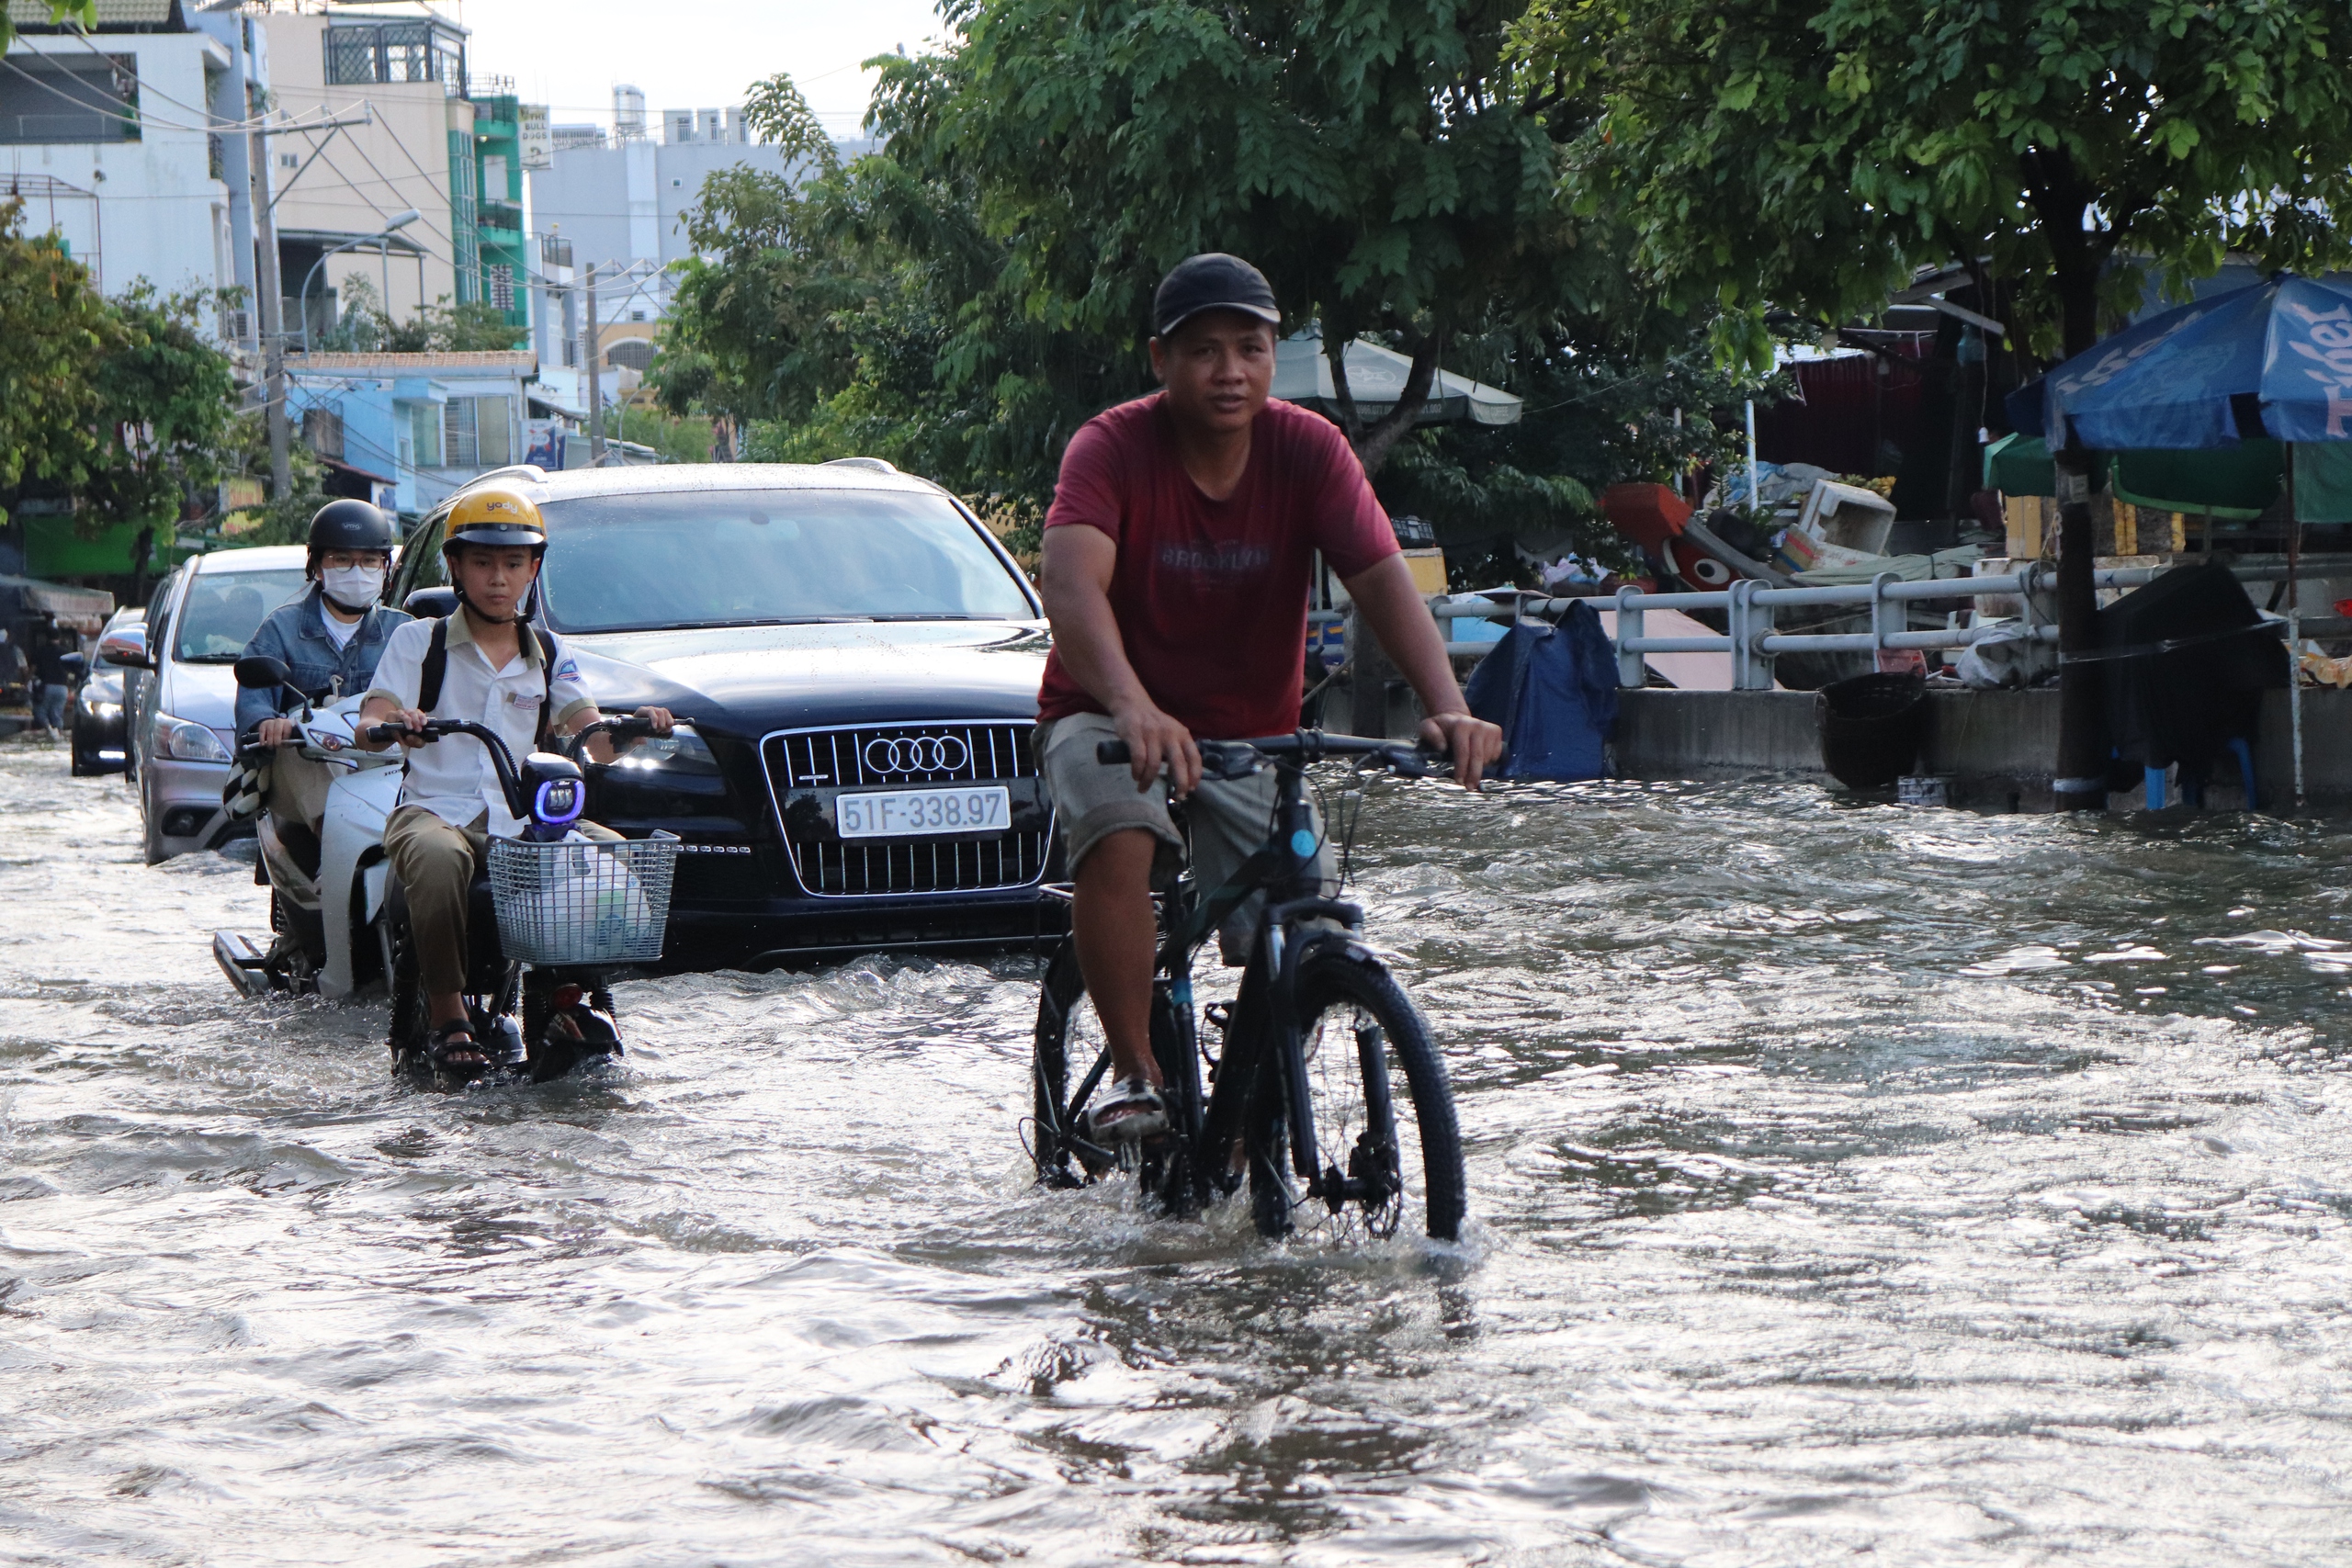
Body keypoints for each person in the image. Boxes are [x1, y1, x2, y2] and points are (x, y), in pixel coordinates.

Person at [1035, 252, 1506, 1140]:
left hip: (1253, 732)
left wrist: (1448, 702)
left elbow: (1379, 578)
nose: (1229, 372)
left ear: (1271, 355)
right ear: (1159, 360)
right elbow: (1070, 587)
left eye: (1249, 349)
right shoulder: (1112, 447)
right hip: (1105, 712)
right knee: (1121, 831)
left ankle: (1263, 1095)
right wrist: (1134, 704)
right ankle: (1136, 1074)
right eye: (1204, 351)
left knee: (1307, 926)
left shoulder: (1307, 449)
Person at [356, 489, 673, 1074]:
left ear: (533, 569)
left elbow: (591, 737)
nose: (497, 579)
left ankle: (567, 998)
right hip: (433, 811)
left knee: (613, 853)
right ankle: (450, 1016)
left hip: (525, 823)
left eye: (512, 564)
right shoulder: (416, 642)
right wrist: (396, 725)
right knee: (436, 856)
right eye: (482, 562)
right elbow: (369, 722)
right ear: (455, 566)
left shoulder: (550, 653)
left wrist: (633, 732)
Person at [236, 500, 413, 871]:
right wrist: (268, 723)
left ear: (386, 568)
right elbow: (253, 700)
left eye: (369, 561)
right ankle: (341, 855)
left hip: (384, 768)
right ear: (316, 565)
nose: (357, 571)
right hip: (305, 772)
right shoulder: (279, 629)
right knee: (301, 747)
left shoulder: (406, 633)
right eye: (341, 560)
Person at [31, 624, 74, 740]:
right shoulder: (66, 653)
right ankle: (58, 735)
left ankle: (49, 730)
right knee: (57, 714)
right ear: (59, 638)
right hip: (62, 689)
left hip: (46, 687)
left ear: (46, 637)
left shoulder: (40, 651)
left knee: (40, 711)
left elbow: (33, 670)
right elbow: (71, 672)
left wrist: (29, 681)